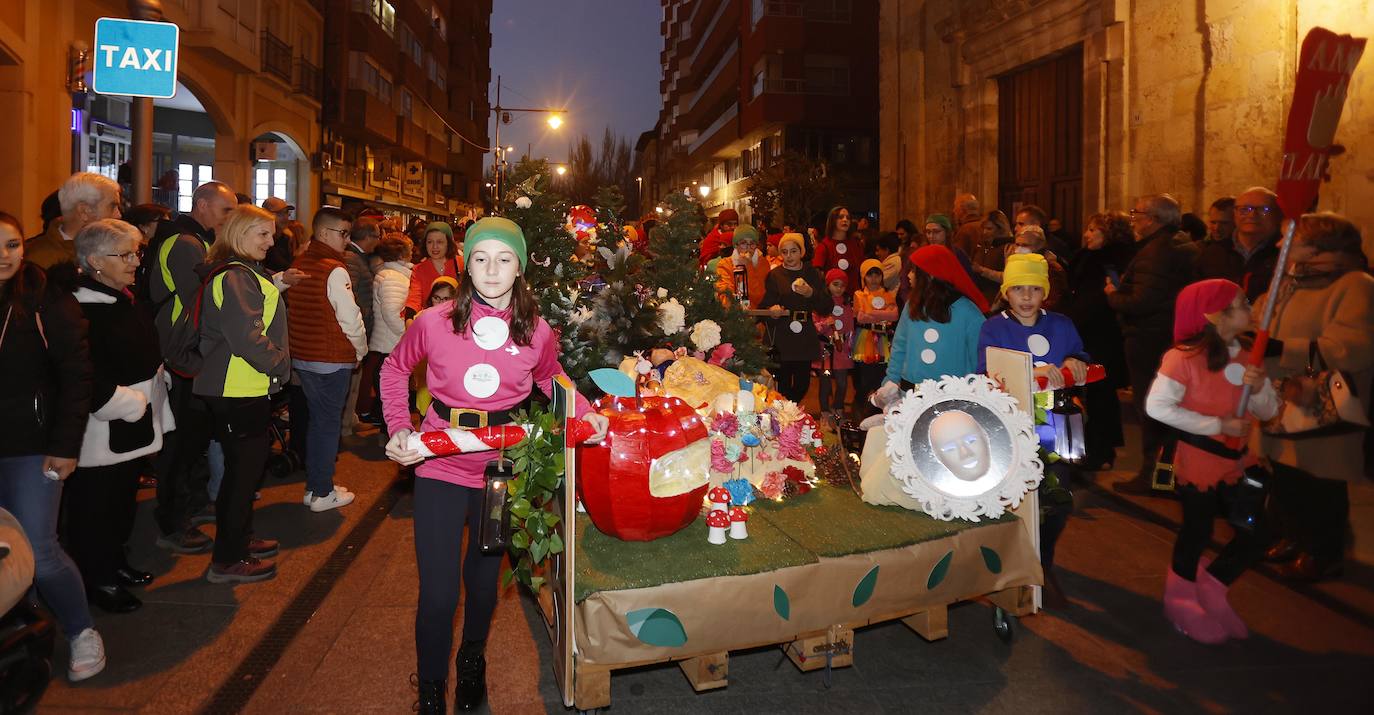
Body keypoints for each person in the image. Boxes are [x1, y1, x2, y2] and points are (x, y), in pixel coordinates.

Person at [379, 217, 609, 714]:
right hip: (439, 463)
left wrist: (591, 416)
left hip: (500, 471)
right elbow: (395, 368)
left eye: (504, 259)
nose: (491, 269)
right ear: (467, 264)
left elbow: (553, 382)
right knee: (439, 595)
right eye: (481, 258)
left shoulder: (538, 331)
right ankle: (430, 691)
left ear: (520, 268)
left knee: (483, 588)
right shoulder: (434, 322)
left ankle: (472, 662)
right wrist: (400, 426)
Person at [0, 211, 107, 682]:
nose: (4, 256)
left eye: (11, 244)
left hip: (34, 444)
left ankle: (81, 628)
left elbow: (76, 376)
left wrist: (66, 446)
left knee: (39, 550)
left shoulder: (44, 297)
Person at [1147, 279, 1278, 643]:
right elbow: (1156, 407)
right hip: (1199, 461)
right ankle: (1180, 596)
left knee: (1256, 533)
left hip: (1239, 462)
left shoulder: (1249, 354)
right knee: (1198, 530)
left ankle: (1214, 584)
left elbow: (1268, 410)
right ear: (1214, 314)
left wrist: (1260, 386)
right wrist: (1217, 424)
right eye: (1241, 303)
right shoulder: (1183, 357)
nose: (1249, 308)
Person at [62, 219, 172, 614]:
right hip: (106, 422)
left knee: (122, 498)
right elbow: (84, 370)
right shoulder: (79, 307)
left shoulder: (118, 296)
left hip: (134, 417)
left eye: (137, 252)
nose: (135, 262)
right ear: (93, 260)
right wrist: (124, 402)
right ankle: (97, 579)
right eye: (124, 254)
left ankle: (114, 562)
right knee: (96, 506)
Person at [1257, 212, 1374, 581]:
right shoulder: (1290, 279)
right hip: (1281, 394)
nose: (1278, 245)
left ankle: (1324, 551)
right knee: (1287, 474)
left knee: (1320, 479)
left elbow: (1352, 347)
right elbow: (1262, 318)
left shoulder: (1355, 284)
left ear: (1319, 245)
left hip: (1323, 399)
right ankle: (1294, 536)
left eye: (1289, 239)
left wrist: (1284, 349)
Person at [975, 253, 1089, 603]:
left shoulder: (1062, 324)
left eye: (1034, 289)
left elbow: (1081, 358)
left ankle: (1043, 562)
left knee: (1060, 498)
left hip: (1060, 422)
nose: (1026, 296)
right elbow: (986, 373)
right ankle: (1013, 565)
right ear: (1006, 292)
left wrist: (1073, 362)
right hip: (1013, 425)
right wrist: (1036, 375)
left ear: (1046, 293)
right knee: (1017, 497)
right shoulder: (993, 327)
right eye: (1018, 289)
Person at [195, 205, 290, 583]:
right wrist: (280, 365)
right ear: (239, 233)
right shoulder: (237, 277)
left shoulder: (241, 272)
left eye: (271, 234)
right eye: (262, 234)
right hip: (237, 387)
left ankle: (240, 540)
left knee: (244, 474)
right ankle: (228, 558)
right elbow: (246, 337)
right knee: (241, 476)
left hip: (243, 385)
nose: (271, 241)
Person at [149, 180, 237, 555]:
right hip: (181, 356)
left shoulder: (193, 241)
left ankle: (186, 504)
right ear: (201, 205)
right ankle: (172, 520)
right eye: (225, 210)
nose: (228, 218)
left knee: (191, 438)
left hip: (188, 355)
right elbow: (201, 303)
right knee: (180, 442)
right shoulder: (185, 244)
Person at [1106, 193, 1200, 494]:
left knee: (1152, 409)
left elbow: (1142, 300)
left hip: (1150, 339)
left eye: (1138, 213)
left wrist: (1113, 294)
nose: (1133, 219)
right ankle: (1166, 476)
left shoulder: (1156, 252)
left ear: (1154, 219)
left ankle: (1153, 476)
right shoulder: (1180, 244)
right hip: (1169, 337)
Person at [288, 207, 366, 512]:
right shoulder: (335, 269)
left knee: (316, 421)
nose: (347, 240)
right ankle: (321, 492)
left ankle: (315, 486)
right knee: (326, 425)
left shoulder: (301, 262)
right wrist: (360, 349)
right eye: (343, 233)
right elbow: (350, 317)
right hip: (331, 357)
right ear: (323, 233)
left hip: (305, 355)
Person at [1061, 211, 1135, 470]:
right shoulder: (1088, 258)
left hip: (1102, 335)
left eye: (1093, 230)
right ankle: (1091, 447)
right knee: (1092, 392)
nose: (1086, 234)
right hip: (1086, 333)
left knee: (1101, 392)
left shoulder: (1111, 263)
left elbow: (1094, 301)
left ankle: (1101, 450)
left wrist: (1068, 321)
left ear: (1109, 233)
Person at [878, 245, 990, 403]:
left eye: (914, 271)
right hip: (909, 397)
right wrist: (891, 380)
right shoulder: (913, 305)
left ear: (929, 276)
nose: (909, 276)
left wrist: (973, 395)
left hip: (952, 401)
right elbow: (900, 346)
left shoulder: (967, 312)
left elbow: (978, 360)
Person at [762, 233, 832, 403]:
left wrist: (811, 293)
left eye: (793, 251)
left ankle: (788, 410)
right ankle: (786, 415)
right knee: (783, 383)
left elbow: (826, 306)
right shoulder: (775, 275)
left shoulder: (812, 273)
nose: (789, 256)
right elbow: (764, 306)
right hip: (782, 334)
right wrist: (772, 310)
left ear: (801, 252)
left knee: (802, 384)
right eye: (784, 252)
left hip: (804, 335)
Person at [358, 234, 413, 425]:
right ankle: (386, 420)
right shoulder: (393, 277)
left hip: (388, 339)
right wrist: (406, 334)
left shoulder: (390, 274)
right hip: (391, 339)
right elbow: (391, 311)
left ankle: (381, 416)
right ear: (402, 254)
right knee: (389, 381)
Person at [1194, 187, 1281, 300]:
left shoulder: (1286, 254)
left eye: (1263, 209)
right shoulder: (1213, 253)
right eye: (1244, 209)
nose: (1252, 215)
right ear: (1235, 213)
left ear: (1278, 214)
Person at [25, 173, 123, 269]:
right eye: (113, 206)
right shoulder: (38, 261)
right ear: (84, 211)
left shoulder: (118, 249)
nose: (119, 215)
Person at [345, 217, 382, 431]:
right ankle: (347, 424)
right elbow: (350, 295)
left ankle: (350, 420)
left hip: (359, 326)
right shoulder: (353, 258)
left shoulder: (358, 257)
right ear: (368, 237)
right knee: (352, 381)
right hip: (355, 328)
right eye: (376, 236)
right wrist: (363, 314)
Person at [851, 258, 898, 414]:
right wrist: (883, 314)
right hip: (865, 341)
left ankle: (876, 411)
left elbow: (894, 315)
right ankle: (859, 409)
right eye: (869, 275)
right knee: (864, 378)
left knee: (880, 376)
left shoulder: (888, 294)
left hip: (883, 340)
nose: (873, 279)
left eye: (877, 275)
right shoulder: (859, 294)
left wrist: (870, 312)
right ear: (863, 276)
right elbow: (860, 317)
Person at [812, 269, 854, 421]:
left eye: (842, 285)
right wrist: (825, 324)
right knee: (825, 381)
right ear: (828, 284)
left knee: (842, 382)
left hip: (841, 349)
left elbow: (850, 327)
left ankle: (838, 407)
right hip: (826, 350)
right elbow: (815, 327)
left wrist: (850, 347)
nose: (839, 288)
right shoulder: (821, 303)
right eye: (835, 284)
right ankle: (824, 410)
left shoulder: (846, 304)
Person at [405, 222, 461, 317]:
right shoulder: (419, 269)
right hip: (432, 322)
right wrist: (409, 321)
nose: (434, 247)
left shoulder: (461, 264)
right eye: (430, 242)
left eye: (440, 242)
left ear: (449, 243)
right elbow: (414, 300)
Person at [714, 224, 768, 308]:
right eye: (743, 243)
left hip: (757, 315)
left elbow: (759, 297)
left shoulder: (762, 263)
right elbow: (725, 296)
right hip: (733, 315)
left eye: (752, 243)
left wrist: (748, 267)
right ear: (736, 245)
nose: (748, 248)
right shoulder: (724, 264)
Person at [812, 206, 863, 291]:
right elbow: (816, 273)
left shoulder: (856, 244)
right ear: (832, 221)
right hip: (832, 297)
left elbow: (862, 270)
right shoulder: (824, 246)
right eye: (840, 217)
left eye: (848, 218)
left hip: (854, 295)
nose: (845, 220)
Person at [260, 196, 296, 273]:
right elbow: (282, 266)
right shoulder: (261, 239)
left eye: (286, 212)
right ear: (265, 214)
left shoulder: (285, 238)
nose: (285, 217)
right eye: (279, 213)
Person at [951, 193, 982, 258]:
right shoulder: (985, 225)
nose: (954, 210)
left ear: (962, 209)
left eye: (955, 207)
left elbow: (959, 256)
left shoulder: (965, 230)